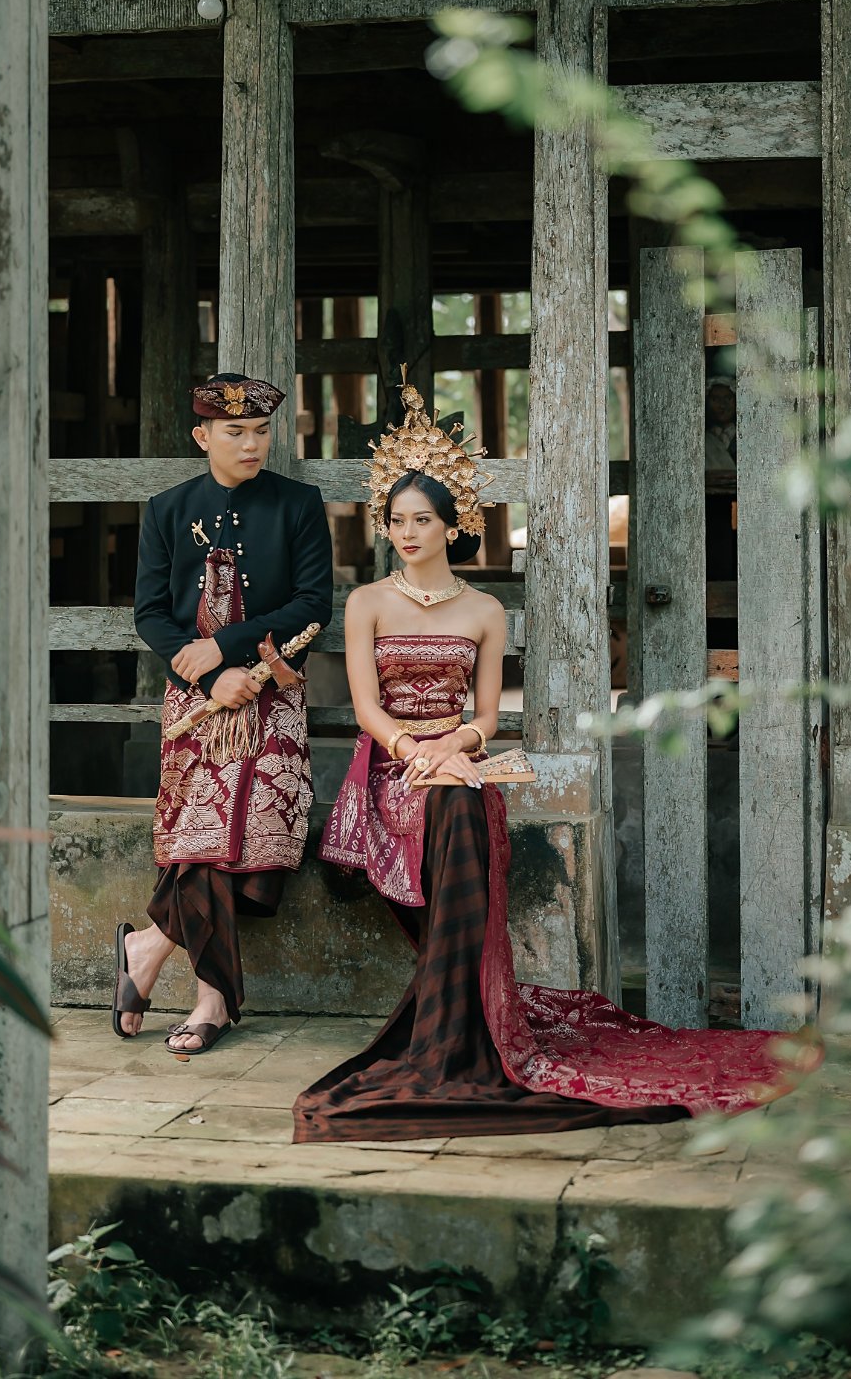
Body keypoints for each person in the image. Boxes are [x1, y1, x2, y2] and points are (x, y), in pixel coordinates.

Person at [294, 375, 815, 1140]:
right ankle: (453, 1027)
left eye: (422, 520)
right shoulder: (368, 601)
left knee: (462, 801)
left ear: (454, 523)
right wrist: (414, 751)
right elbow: (368, 708)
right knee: (449, 799)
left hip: (457, 763)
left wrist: (455, 747)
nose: (406, 533)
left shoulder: (483, 610)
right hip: (390, 767)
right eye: (396, 520)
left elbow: (484, 717)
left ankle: (455, 1032)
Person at [113, 372, 333, 1054]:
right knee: (200, 837)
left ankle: (148, 948)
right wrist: (210, 673)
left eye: (261, 431)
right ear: (202, 436)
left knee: (253, 843)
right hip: (197, 702)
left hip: (274, 692)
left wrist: (228, 648)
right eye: (235, 432)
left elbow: (313, 603)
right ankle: (212, 997)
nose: (251, 444)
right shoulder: (167, 510)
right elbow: (151, 613)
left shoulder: (298, 504)